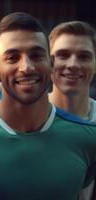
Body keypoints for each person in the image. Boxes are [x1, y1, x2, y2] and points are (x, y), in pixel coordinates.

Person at [0, 12, 96, 200]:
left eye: (36, 55)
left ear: (51, 63)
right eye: (12, 58)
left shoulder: (88, 137)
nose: (26, 67)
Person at [48, 21, 96, 200]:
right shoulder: (28, 116)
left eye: (84, 56)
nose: (73, 64)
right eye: (63, 55)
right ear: (47, 61)